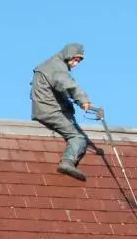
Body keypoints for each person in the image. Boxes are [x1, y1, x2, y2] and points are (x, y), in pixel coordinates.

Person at [30, 43, 100, 181]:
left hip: (46, 107)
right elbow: (68, 85)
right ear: (68, 55)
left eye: (79, 61)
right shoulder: (57, 68)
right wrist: (83, 101)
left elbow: (59, 91)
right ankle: (67, 162)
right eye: (74, 59)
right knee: (78, 137)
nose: (75, 64)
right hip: (50, 111)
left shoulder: (49, 65)